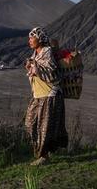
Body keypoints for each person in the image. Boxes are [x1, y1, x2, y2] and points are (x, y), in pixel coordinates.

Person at [24, 27, 68, 166]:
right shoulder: (35, 54)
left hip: (49, 95)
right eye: (30, 38)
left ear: (40, 39)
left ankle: (44, 156)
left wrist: (35, 67)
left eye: (33, 37)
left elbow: (53, 74)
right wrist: (31, 65)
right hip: (38, 95)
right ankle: (42, 154)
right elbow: (36, 69)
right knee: (30, 123)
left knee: (44, 127)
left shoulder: (47, 52)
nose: (30, 40)